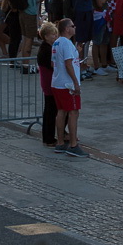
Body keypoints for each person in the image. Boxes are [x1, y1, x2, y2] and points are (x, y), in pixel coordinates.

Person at [50, 18, 87, 158]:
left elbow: (54, 64)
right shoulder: (66, 43)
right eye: (72, 26)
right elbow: (68, 64)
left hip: (57, 82)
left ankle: (60, 142)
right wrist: (75, 82)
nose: (74, 27)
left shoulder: (57, 43)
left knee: (61, 111)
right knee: (73, 112)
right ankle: (73, 144)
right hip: (68, 85)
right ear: (67, 29)